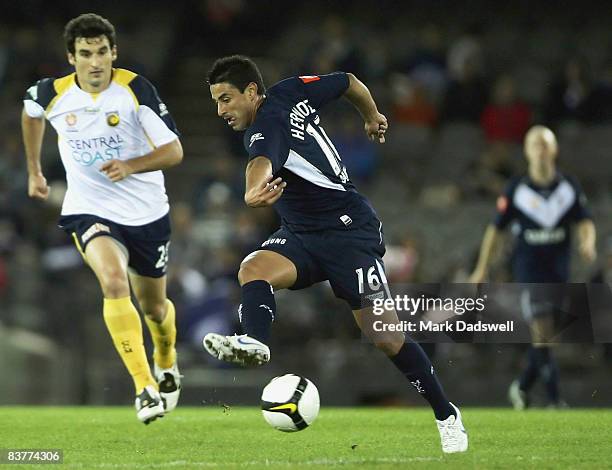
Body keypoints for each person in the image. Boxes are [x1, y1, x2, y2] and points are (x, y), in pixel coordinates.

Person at [203, 55, 468, 453]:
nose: (221, 110)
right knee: (253, 268)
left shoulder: (265, 125)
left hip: (349, 234)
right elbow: (347, 81)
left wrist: (250, 191)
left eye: (226, 99)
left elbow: (260, 161)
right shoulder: (292, 89)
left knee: (384, 336)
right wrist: (372, 115)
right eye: (216, 102)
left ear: (252, 92)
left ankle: (446, 414)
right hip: (303, 233)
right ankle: (255, 341)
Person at [21, 13, 183, 424]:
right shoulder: (51, 93)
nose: (95, 63)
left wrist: (131, 165)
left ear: (114, 53)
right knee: (113, 282)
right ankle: (144, 387)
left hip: (147, 213)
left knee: (155, 309)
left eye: (101, 53)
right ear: (71, 58)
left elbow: (174, 151)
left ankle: (166, 358)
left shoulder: (134, 90)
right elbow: (31, 113)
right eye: (85, 54)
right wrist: (35, 169)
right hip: (88, 209)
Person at [470, 125, 596, 409]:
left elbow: (584, 220)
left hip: (559, 271)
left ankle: (522, 386)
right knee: (542, 331)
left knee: (547, 339)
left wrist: (588, 242)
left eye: (545, 144)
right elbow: (495, 230)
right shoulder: (517, 189)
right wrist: (481, 267)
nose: (540, 150)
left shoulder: (568, 187)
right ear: (526, 151)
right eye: (534, 145)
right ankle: (554, 400)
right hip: (528, 271)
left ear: (554, 150)